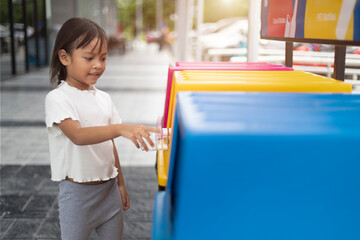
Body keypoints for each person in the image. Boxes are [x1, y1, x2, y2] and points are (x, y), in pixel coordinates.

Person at [45, 18, 160, 240]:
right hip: (78, 197)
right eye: (89, 58)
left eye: (104, 58)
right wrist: (120, 129)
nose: (98, 64)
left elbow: (109, 145)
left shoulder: (103, 98)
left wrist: (121, 183)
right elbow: (78, 136)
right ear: (64, 57)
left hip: (109, 193)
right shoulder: (58, 99)